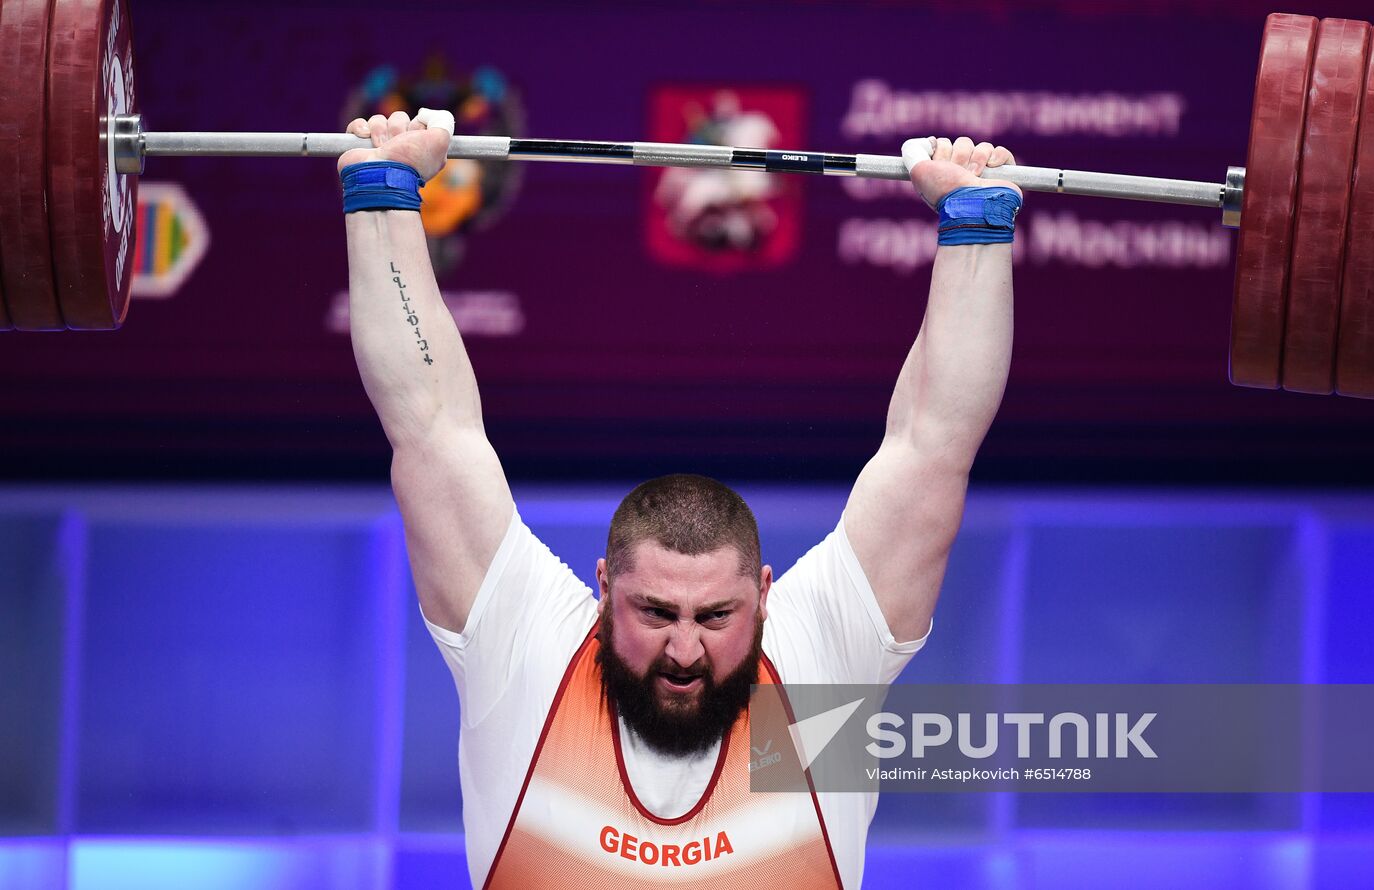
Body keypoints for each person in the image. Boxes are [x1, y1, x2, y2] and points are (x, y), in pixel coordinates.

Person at [339, 108, 1020, 889]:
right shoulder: (527, 653)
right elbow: (428, 430)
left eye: (716, 617)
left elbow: (934, 448)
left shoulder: (817, 667)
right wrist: (383, 196)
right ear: (603, 591)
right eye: (656, 613)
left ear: (764, 600)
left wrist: (976, 226)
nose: (686, 651)